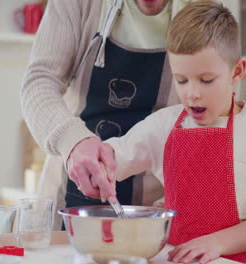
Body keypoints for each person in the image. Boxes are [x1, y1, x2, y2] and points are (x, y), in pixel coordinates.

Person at [89, 1, 246, 263]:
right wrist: (96, 164)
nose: (192, 93)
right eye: (182, 80)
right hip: (177, 258)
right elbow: (112, 157)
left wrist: (218, 243)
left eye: (206, 80)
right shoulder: (163, 125)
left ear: (237, 71)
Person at [20, 0, 196, 230]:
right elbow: (38, 82)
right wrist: (73, 141)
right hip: (69, 201)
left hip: (157, 215)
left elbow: (212, 108)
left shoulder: (200, 8)